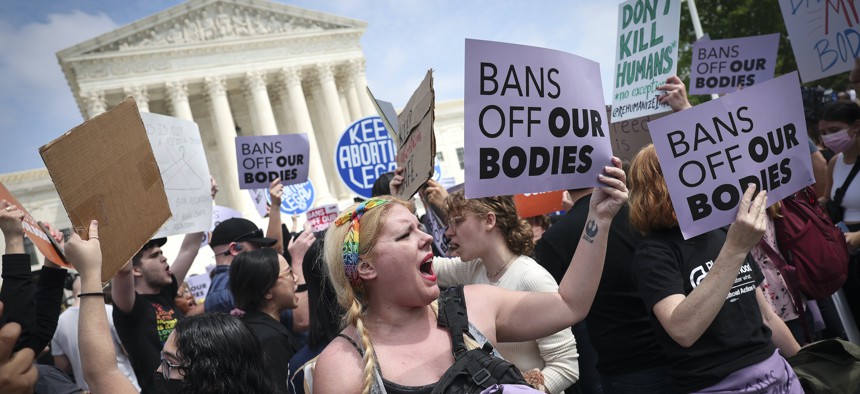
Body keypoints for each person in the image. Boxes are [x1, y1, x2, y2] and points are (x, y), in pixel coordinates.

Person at [313, 158, 627, 394]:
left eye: (419, 228)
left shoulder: (474, 306)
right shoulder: (342, 365)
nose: (427, 238)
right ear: (366, 267)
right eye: (404, 235)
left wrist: (598, 218)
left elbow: (570, 304)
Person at [627, 144, 801, 393]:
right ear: (663, 185)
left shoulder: (721, 233)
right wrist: (735, 249)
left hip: (774, 374)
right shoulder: (655, 252)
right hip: (717, 385)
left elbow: (767, 316)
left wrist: (801, 362)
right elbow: (683, 330)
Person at [66, 219, 278, 394]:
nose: (164, 257)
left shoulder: (166, 294)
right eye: (155, 255)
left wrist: (200, 201)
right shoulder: (132, 305)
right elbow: (123, 272)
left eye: (169, 362)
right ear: (136, 270)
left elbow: (189, 249)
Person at [434, 191, 580, 394]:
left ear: (489, 220)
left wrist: (524, 391)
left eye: (457, 221)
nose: (449, 232)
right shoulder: (474, 268)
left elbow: (566, 367)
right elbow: (425, 266)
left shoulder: (532, 278)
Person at [535, 187, 671, 394]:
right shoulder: (643, 212)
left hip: (621, 362)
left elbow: (552, 308)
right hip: (674, 351)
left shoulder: (556, 237)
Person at [52, 276, 140, 391]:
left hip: (90, 389)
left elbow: (62, 366)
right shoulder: (110, 311)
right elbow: (128, 350)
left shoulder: (58, 322)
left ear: (73, 292)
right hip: (125, 386)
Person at [230, 248, 300, 393]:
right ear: (267, 291)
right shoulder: (270, 339)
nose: (296, 278)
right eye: (289, 273)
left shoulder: (249, 328)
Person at [819, 99, 860, 331]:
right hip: (847, 250)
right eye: (823, 133)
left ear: (856, 126)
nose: (828, 138)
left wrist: (857, 237)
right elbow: (829, 200)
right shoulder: (834, 162)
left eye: (834, 131)